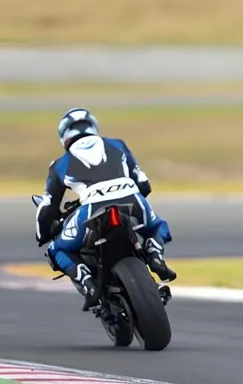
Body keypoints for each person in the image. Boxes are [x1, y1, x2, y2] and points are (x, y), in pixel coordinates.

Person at [35, 107, 177, 311]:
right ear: (94, 127)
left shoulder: (59, 164)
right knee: (157, 225)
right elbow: (144, 185)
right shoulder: (117, 145)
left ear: (64, 136)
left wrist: (43, 234)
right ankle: (155, 256)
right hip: (133, 200)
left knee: (57, 248)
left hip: (91, 209)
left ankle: (88, 284)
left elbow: (48, 206)